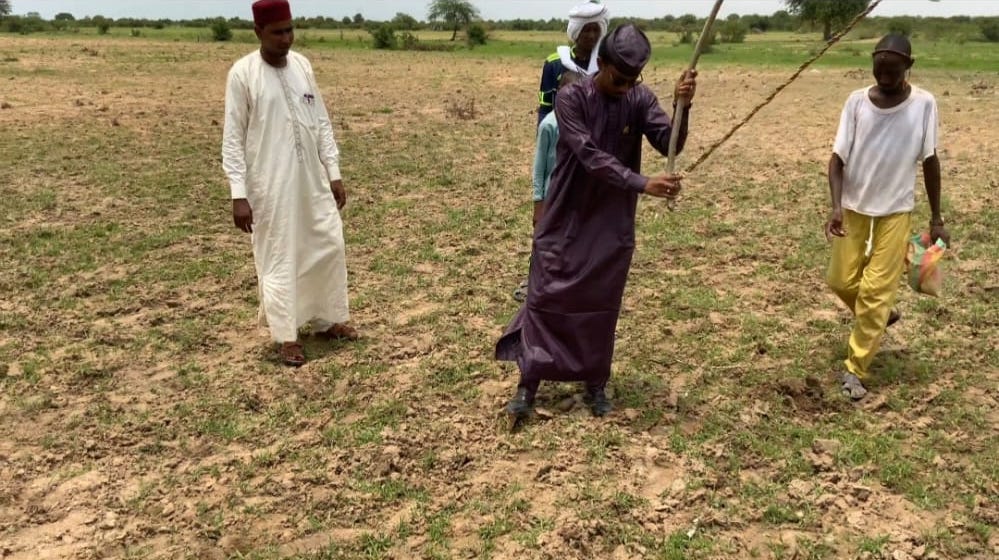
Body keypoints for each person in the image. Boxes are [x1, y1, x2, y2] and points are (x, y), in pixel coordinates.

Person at [497, 24, 698, 418]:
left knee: (601, 303)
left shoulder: (639, 98)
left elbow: (669, 141)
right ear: (600, 63)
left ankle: (596, 384)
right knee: (545, 298)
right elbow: (590, 157)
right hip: (566, 217)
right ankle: (527, 386)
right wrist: (643, 183)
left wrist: (682, 106)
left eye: (632, 79)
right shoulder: (571, 97)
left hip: (612, 222)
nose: (625, 86)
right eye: (618, 78)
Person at [222, 0, 358, 367]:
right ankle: (286, 337)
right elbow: (232, 139)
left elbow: (322, 122)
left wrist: (334, 172)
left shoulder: (302, 66)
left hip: (311, 178)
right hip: (270, 186)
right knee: (280, 256)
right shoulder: (242, 74)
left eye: (290, 29)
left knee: (326, 242)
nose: (287, 39)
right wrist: (239, 194)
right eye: (278, 32)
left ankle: (328, 320)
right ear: (258, 32)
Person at [825, 34, 950, 400]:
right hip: (853, 206)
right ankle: (880, 316)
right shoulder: (856, 103)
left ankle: (855, 369)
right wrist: (835, 206)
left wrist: (937, 217)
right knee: (840, 280)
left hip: (896, 209)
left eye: (893, 70)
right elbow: (837, 159)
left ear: (909, 67)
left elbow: (930, 160)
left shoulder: (924, 104)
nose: (884, 76)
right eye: (878, 68)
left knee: (876, 292)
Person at [514, 70, 582, 302]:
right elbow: (539, 167)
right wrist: (538, 203)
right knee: (544, 241)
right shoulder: (549, 125)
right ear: (557, 97)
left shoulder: (584, 126)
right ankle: (534, 282)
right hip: (551, 196)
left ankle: (566, 284)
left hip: (574, 196)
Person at [537, 1, 610, 125]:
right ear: (576, 32)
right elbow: (546, 107)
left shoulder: (606, 63)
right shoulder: (554, 64)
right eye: (586, 30)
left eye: (595, 30)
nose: (592, 35)